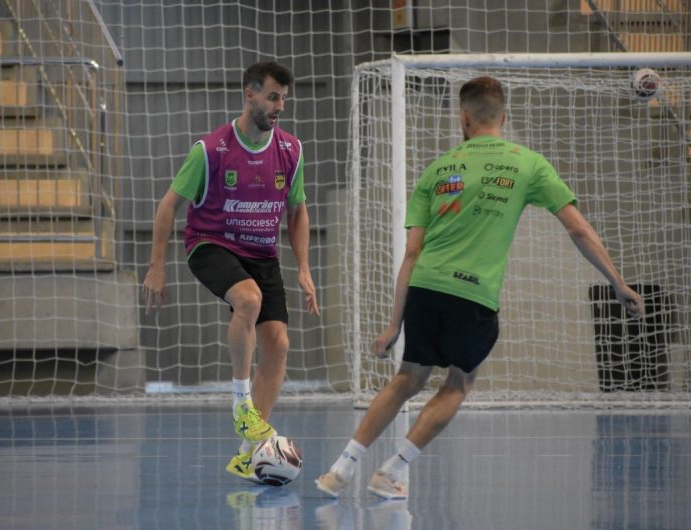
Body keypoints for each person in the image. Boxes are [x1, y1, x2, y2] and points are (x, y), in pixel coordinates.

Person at [315, 76, 645, 500]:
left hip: (425, 288)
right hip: (473, 296)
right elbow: (579, 231)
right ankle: (392, 471)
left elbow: (411, 254)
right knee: (458, 383)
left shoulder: (438, 169)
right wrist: (617, 283)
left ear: (464, 117)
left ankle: (340, 469)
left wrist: (392, 325)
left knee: (407, 378)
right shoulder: (528, 164)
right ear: (503, 116)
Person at [142, 61, 320, 482]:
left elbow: (297, 212)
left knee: (278, 344)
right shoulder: (211, 149)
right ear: (250, 93)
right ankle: (242, 406)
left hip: (262, 253)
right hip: (211, 244)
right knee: (248, 299)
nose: (279, 106)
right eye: (273, 96)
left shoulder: (290, 150)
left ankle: (246, 453)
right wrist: (156, 266)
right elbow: (169, 204)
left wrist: (305, 268)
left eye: (284, 99)